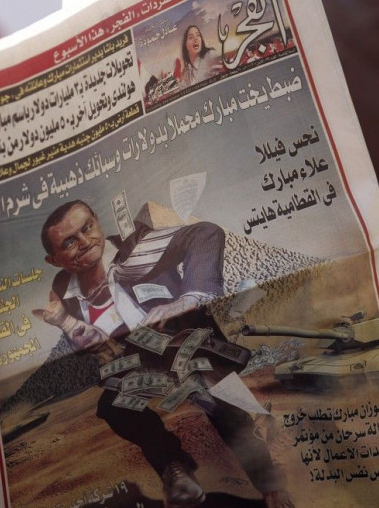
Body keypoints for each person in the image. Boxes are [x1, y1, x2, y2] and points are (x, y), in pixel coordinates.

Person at [39, 200, 293, 508]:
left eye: (87, 227)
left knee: (219, 398)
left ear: (97, 221)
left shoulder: (135, 248)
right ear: (54, 260)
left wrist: (190, 297)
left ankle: (270, 486)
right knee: (114, 406)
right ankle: (174, 467)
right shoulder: (63, 286)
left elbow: (206, 233)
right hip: (140, 360)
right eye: (69, 242)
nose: (84, 242)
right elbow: (87, 340)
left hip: (187, 342)